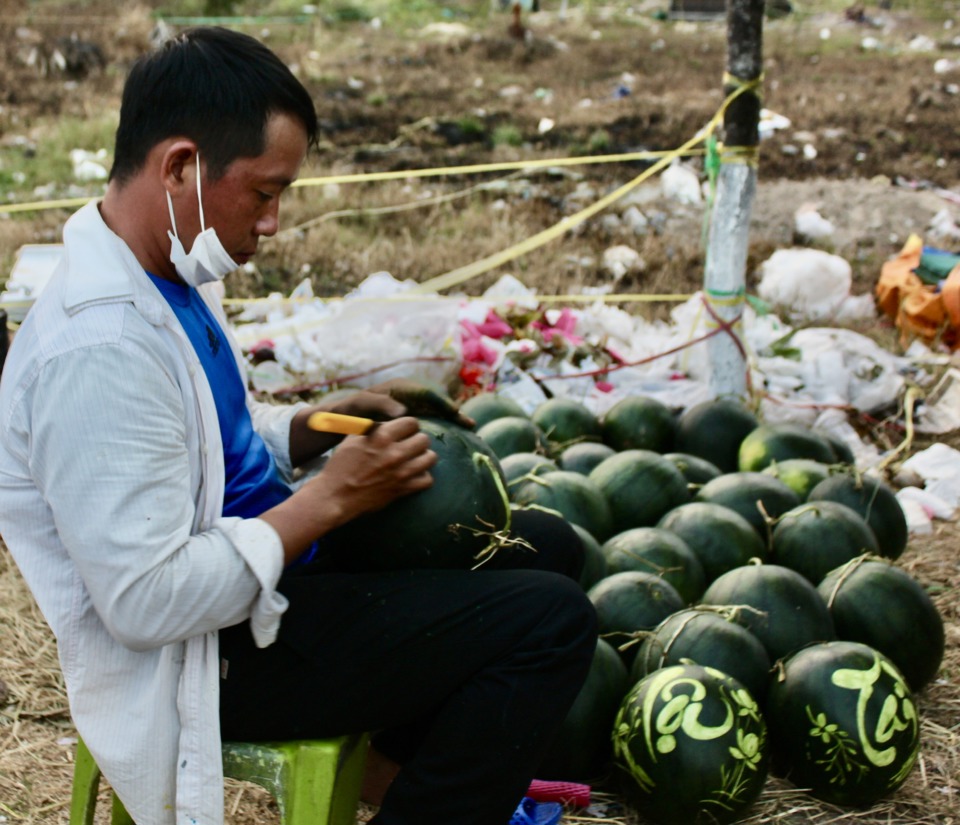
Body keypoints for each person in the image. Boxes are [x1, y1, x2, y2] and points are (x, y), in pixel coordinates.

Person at [0, 27, 596, 825]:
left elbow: (212, 432)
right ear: (180, 167)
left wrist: (321, 425)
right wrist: (328, 502)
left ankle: (394, 773)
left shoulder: (169, 266)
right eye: (265, 191)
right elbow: (144, 601)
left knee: (544, 545)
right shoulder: (98, 347)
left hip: (265, 573)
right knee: (551, 622)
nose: (274, 222)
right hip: (209, 656)